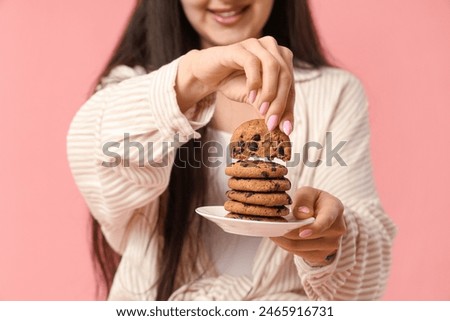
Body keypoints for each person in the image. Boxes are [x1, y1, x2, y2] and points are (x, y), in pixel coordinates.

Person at [67, 0, 396, 300]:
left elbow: (366, 280)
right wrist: (190, 79)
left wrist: (331, 244)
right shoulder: (130, 88)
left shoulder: (335, 93)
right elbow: (92, 158)